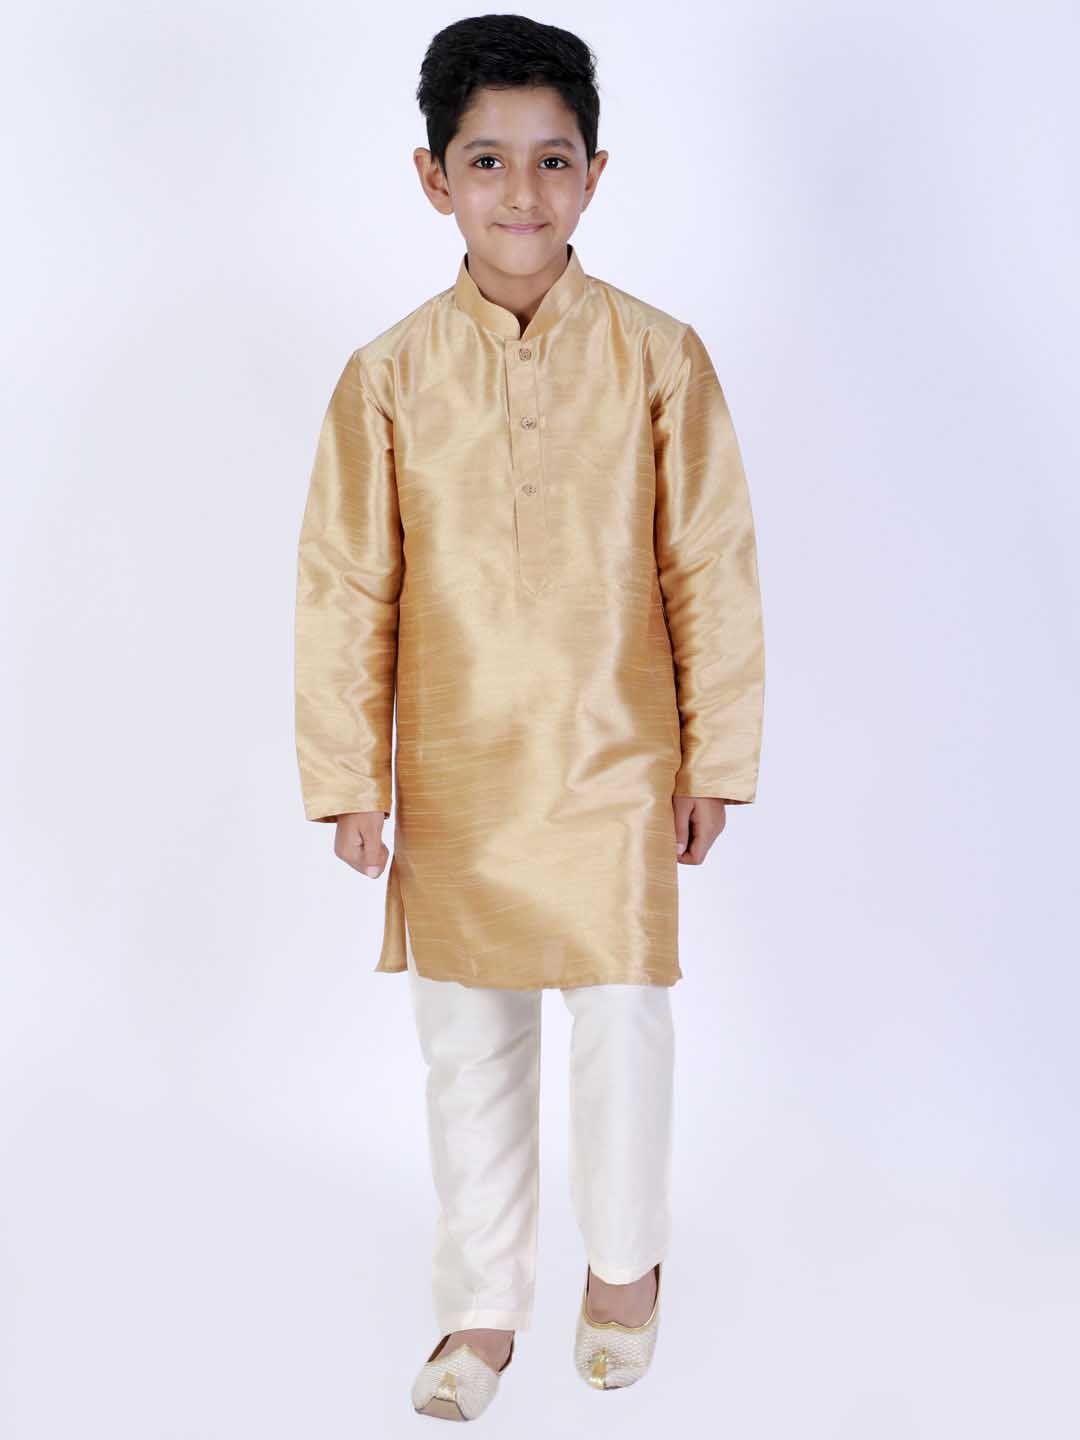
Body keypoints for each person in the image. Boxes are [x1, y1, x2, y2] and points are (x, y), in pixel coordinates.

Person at [293, 13, 765, 1421]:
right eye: (487, 160)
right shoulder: (387, 375)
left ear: (595, 174)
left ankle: (624, 1269)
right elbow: (346, 583)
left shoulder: (660, 357)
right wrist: (350, 777)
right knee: (468, 1042)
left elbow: (710, 564)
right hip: (456, 766)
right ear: (433, 178)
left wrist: (716, 755)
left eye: (552, 160)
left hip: (619, 755)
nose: (521, 191)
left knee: (624, 1016)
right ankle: (481, 1309)